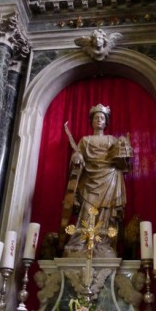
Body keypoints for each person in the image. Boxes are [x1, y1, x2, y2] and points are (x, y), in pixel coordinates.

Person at [62, 104, 133, 258]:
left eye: (102, 118)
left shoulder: (112, 139)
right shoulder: (85, 141)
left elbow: (122, 161)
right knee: (87, 212)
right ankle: (81, 243)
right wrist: (77, 158)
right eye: (96, 118)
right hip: (89, 181)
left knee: (106, 213)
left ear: (106, 122)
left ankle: (103, 245)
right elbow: (77, 160)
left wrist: (123, 145)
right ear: (91, 121)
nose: (99, 120)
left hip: (110, 179)